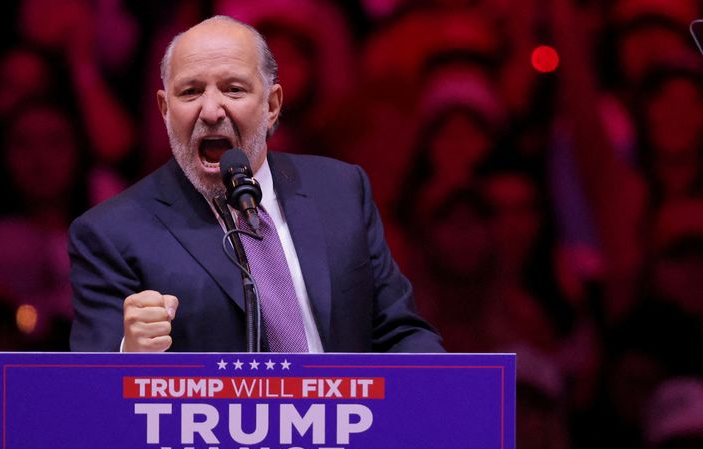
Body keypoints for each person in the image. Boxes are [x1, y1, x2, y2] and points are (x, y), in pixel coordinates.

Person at [68, 15, 443, 354]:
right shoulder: (111, 234)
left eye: (233, 89)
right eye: (190, 92)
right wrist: (128, 352)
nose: (211, 111)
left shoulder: (341, 191)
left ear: (272, 105)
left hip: (344, 425)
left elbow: (400, 332)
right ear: (165, 110)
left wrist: (451, 400)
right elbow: (88, 397)